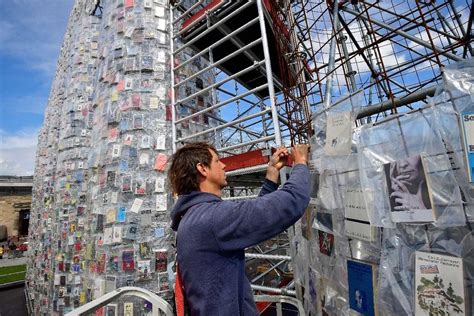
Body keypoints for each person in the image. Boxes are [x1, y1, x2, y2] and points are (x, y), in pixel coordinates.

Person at [169, 142, 310, 315]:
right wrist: (301, 163)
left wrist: (272, 173)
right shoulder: (211, 219)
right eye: (217, 161)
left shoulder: (195, 217)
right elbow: (292, 201)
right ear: (202, 169)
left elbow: (251, 221)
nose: (224, 165)